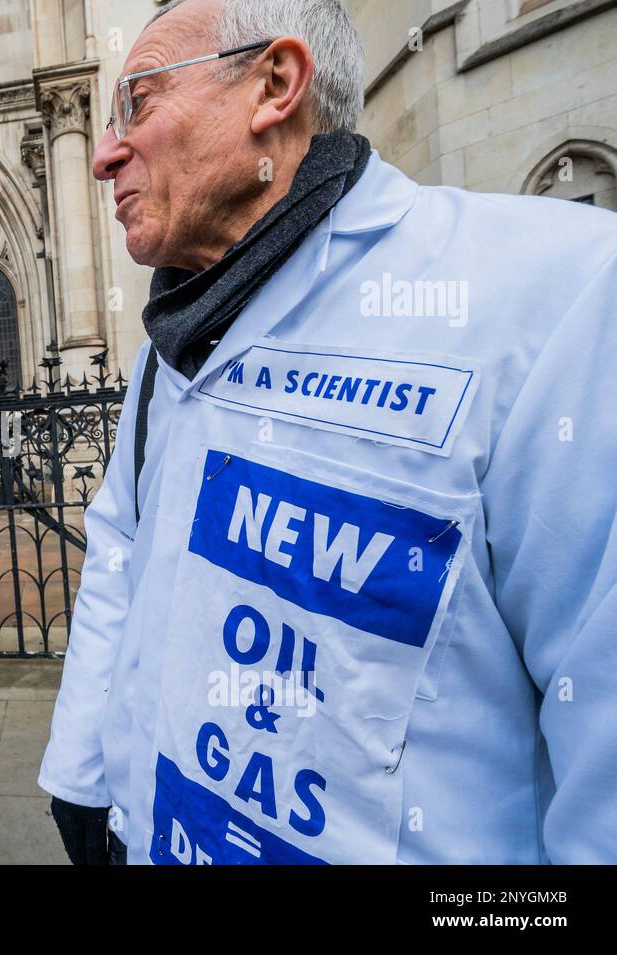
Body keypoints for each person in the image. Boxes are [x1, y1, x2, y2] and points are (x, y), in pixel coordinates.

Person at [40, 0, 617, 865]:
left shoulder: (550, 297)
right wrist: (85, 787)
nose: (103, 152)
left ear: (275, 84)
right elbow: (119, 548)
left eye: (139, 103)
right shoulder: (171, 347)